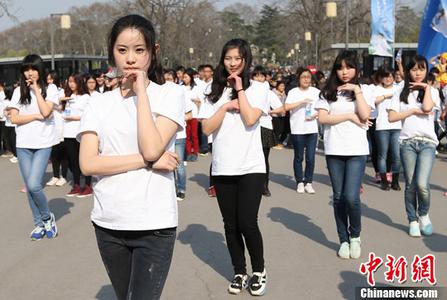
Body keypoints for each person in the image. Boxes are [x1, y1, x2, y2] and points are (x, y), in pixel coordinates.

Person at [78, 14, 184, 300]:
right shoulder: (98, 103)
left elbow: (151, 147)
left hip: (154, 226)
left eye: (139, 50)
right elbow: (88, 164)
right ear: (111, 50)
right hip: (108, 223)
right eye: (122, 50)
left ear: (153, 51)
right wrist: (147, 162)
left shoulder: (170, 94)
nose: (131, 59)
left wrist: (141, 93)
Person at [200, 39, 269, 296]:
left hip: (251, 165)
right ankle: (239, 271)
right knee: (230, 225)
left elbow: (250, 119)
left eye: (237, 58)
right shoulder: (212, 88)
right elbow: (206, 127)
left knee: (247, 222)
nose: (232, 63)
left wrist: (239, 89)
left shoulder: (259, 88)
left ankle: (259, 271)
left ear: (246, 59)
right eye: (228, 58)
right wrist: (226, 105)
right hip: (223, 166)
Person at [316, 50, 372, 259]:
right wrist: (349, 115)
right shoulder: (328, 92)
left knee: (352, 197)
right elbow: (323, 118)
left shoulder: (363, 89)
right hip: (334, 150)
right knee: (339, 197)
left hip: (356, 150)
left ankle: (355, 236)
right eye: (340, 68)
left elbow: (365, 115)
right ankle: (343, 240)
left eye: (348, 67)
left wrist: (356, 91)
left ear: (356, 69)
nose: (344, 72)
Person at [388, 55, 440, 237]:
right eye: (414, 69)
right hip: (407, 143)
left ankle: (423, 214)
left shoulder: (432, 91)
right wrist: (410, 110)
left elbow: (427, 109)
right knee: (410, 184)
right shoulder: (400, 93)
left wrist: (426, 88)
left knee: (422, 184)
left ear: (426, 71)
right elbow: (392, 117)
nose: (418, 73)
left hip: (427, 143)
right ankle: (412, 219)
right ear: (408, 71)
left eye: (422, 69)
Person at [8, 54, 59, 240]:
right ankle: (38, 224)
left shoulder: (51, 89)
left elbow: (46, 112)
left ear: (40, 70)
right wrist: (34, 117)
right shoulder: (17, 92)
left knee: (34, 185)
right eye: (26, 69)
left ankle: (47, 218)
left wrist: (37, 89)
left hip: (43, 144)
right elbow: (14, 118)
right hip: (23, 145)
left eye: (33, 69)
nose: (30, 73)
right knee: (30, 188)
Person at [285, 67, 320, 194]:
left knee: (310, 157)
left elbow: (322, 107)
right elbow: (287, 107)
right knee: (299, 157)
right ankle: (299, 181)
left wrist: (315, 115)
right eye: (303, 77)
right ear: (299, 79)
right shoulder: (293, 92)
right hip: (298, 128)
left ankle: (308, 182)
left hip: (312, 128)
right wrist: (301, 102)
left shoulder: (316, 92)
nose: (306, 79)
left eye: (308, 77)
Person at [252, 65, 285, 197]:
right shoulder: (249, 90)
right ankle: (252, 184)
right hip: (250, 127)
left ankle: (264, 185)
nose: (259, 78)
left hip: (265, 127)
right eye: (256, 75)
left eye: (261, 76)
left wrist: (268, 112)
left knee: (264, 158)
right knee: (251, 157)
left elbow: (281, 108)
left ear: (265, 78)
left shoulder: (269, 92)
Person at [62, 73, 92, 198]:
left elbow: (88, 114)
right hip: (68, 132)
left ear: (79, 82)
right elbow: (62, 111)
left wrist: (74, 118)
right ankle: (76, 185)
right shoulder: (68, 97)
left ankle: (88, 185)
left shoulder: (86, 97)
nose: (71, 84)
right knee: (73, 161)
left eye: (74, 81)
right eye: (69, 81)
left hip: (80, 132)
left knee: (84, 160)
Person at [373, 66, 402, 191]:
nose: (389, 78)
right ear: (381, 78)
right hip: (382, 126)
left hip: (396, 125)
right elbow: (373, 101)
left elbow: (405, 78)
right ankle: (384, 180)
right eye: (386, 76)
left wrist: (399, 64)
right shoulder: (376, 89)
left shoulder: (398, 88)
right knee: (382, 155)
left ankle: (395, 181)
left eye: (390, 76)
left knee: (396, 155)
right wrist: (386, 96)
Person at [46, 71, 68, 187]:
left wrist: (52, 103)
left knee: (62, 151)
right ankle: (55, 175)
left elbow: (61, 107)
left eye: (50, 79)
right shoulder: (46, 91)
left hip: (60, 123)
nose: (49, 81)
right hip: (51, 124)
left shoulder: (61, 91)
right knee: (54, 152)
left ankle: (63, 176)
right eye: (48, 79)